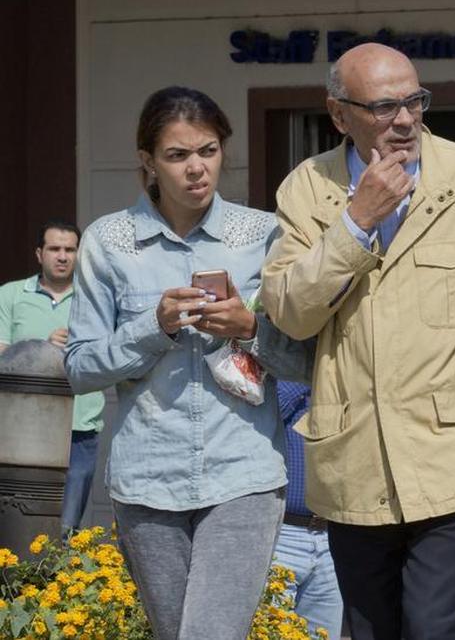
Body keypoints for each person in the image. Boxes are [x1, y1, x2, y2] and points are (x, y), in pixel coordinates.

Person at [260, 42, 455, 640]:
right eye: (383, 107)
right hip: (354, 458)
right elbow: (292, 312)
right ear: (338, 113)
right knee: (372, 628)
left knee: (434, 625)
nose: (404, 120)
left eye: (415, 101)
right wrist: (357, 222)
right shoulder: (307, 188)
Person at [64, 86, 311, 640]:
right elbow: (79, 367)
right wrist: (155, 326)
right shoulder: (109, 242)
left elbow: (309, 361)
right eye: (178, 156)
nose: (197, 169)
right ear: (148, 162)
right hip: (147, 479)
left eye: (209, 150)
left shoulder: (264, 235)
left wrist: (251, 329)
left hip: (244, 472)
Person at [0, 221, 106, 537]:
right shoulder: (10, 295)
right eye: (54, 249)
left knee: (67, 527)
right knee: (15, 523)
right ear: (39, 253)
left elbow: (112, 354)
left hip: (80, 426)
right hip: (19, 429)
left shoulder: (96, 300)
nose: (62, 256)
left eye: (70, 250)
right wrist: (42, 349)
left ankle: (56, 587)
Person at [273, 380, 343, 639]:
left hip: (332, 535)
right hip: (281, 534)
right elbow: (268, 412)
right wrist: (308, 373)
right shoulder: (283, 370)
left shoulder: (346, 379)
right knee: (269, 630)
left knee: (323, 634)